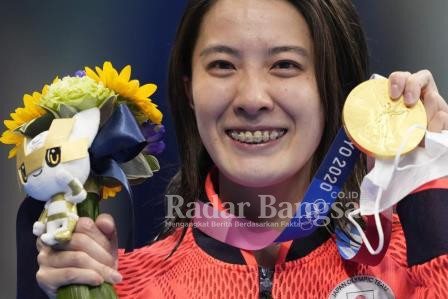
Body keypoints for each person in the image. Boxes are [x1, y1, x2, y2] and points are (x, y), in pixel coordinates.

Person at [35, 0, 448, 298]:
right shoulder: (121, 284)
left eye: (285, 64)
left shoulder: (413, 261)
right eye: (222, 65)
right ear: (189, 91)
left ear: (334, 87)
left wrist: (433, 188)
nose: (252, 98)